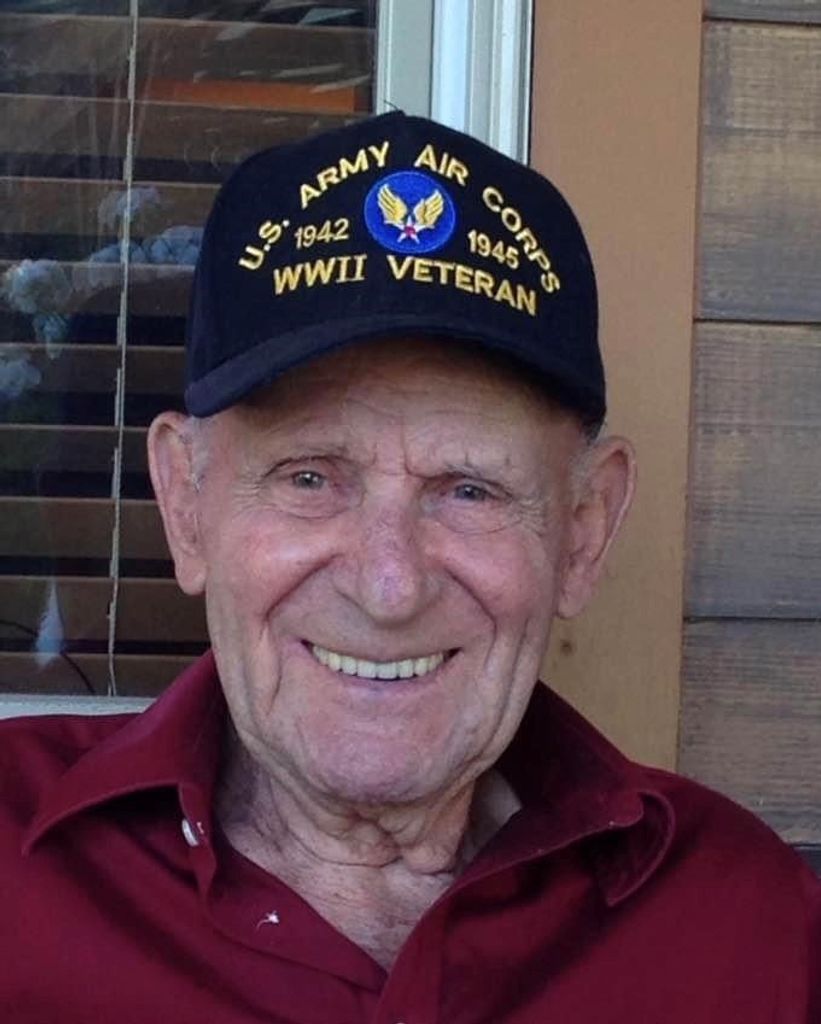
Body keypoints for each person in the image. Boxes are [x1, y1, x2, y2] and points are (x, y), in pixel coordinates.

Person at [1, 112, 818, 1022]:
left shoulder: (749, 929)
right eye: (309, 477)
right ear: (186, 504)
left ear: (583, 532)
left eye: (469, 490)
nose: (389, 587)